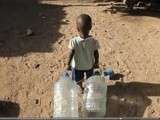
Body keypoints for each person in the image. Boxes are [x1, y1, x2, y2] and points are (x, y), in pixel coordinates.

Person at [67, 14, 100, 90]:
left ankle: (80, 88)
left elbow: (71, 54)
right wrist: (96, 63)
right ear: (90, 27)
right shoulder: (94, 41)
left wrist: (68, 64)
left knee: (78, 80)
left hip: (77, 66)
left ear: (77, 28)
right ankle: (88, 89)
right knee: (90, 79)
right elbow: (96, 53)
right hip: (89, 65)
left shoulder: (73, 41)